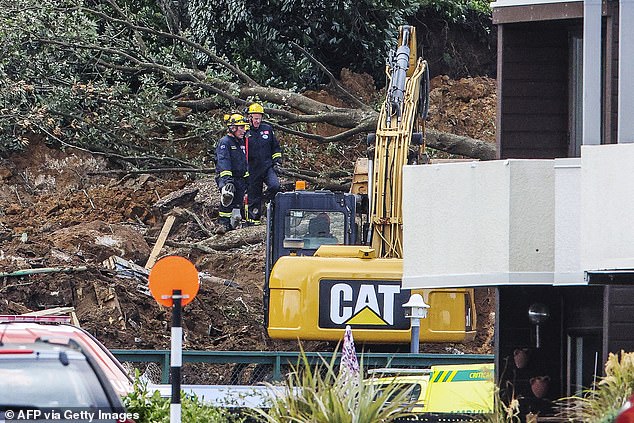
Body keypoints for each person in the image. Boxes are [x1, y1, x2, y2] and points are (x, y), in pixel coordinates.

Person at [244, 102, 282, 225]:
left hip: (267, 167)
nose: (257, 121)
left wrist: (277, 161)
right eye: (255, 119)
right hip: (252, 169)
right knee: (253, 196)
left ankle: (266, 203)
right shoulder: (245, 132)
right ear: (249, 118)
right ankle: (253, 220)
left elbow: (275, 147)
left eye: (259, 119)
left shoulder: (267, 129)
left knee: (275, 185)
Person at [215, 113, 249, 234]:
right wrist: (227, 181)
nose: (243, 130)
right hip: (227, 177)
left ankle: (234, 225)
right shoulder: (225, 142)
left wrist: (247, 177)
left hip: (240, 177)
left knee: (238, 203)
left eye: (244, 127)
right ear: (233, 128)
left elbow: (243, 161)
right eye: (241, 128)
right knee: (228, 195)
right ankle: (222, 224)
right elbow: (224, 162)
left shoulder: (240, 142)